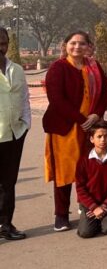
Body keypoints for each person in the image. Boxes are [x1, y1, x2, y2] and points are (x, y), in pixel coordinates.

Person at [44, 31, 107, 232]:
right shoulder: (58, 68)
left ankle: (87, 206)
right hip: (65, 127)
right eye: (73, 43)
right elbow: (56, 99)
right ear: (65, 45)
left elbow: (106, 92)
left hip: (90, 127)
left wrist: (96, 115)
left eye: (82, 44)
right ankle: (61, 214)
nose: (77, 47)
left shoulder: (93, 66)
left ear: (88, 46)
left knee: (90, 168)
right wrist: (83, 120)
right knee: (64, 172)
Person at [0, 27, 31, 240]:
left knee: (8, 183)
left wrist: (26, 124)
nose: (0, 48)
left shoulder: (17, 70)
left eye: (2, 43)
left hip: (15, 134)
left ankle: (5, 225)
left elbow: (25, 99)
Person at [75, 120, 107, 238]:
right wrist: (94, 207)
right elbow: (80, 188)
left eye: (106, 136)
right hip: (90, 202)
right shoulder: (84, 160)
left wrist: (104, 205)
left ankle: (104, 218)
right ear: (92, 139)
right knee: (85, 232)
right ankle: (89, 215)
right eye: (99, 136)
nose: (103, 140)